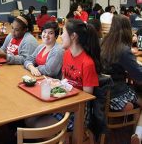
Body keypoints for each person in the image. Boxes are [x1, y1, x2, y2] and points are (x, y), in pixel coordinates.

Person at [25, 19, 100, 130]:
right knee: (28, 120)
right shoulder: (67, 54)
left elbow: (86, 98)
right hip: (63, 102)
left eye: (63, 33)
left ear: (73, 36)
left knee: (37, 125)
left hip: (77, 111)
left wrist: (62, 94)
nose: (60, 37)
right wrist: (56, 85)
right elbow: (64, 81)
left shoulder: (87, 63)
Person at [100, 15, 142, 144]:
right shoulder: (123, 49)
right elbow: (139, 76)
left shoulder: (104, 42)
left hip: (102, 92)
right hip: (116, 94)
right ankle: (138, 135)